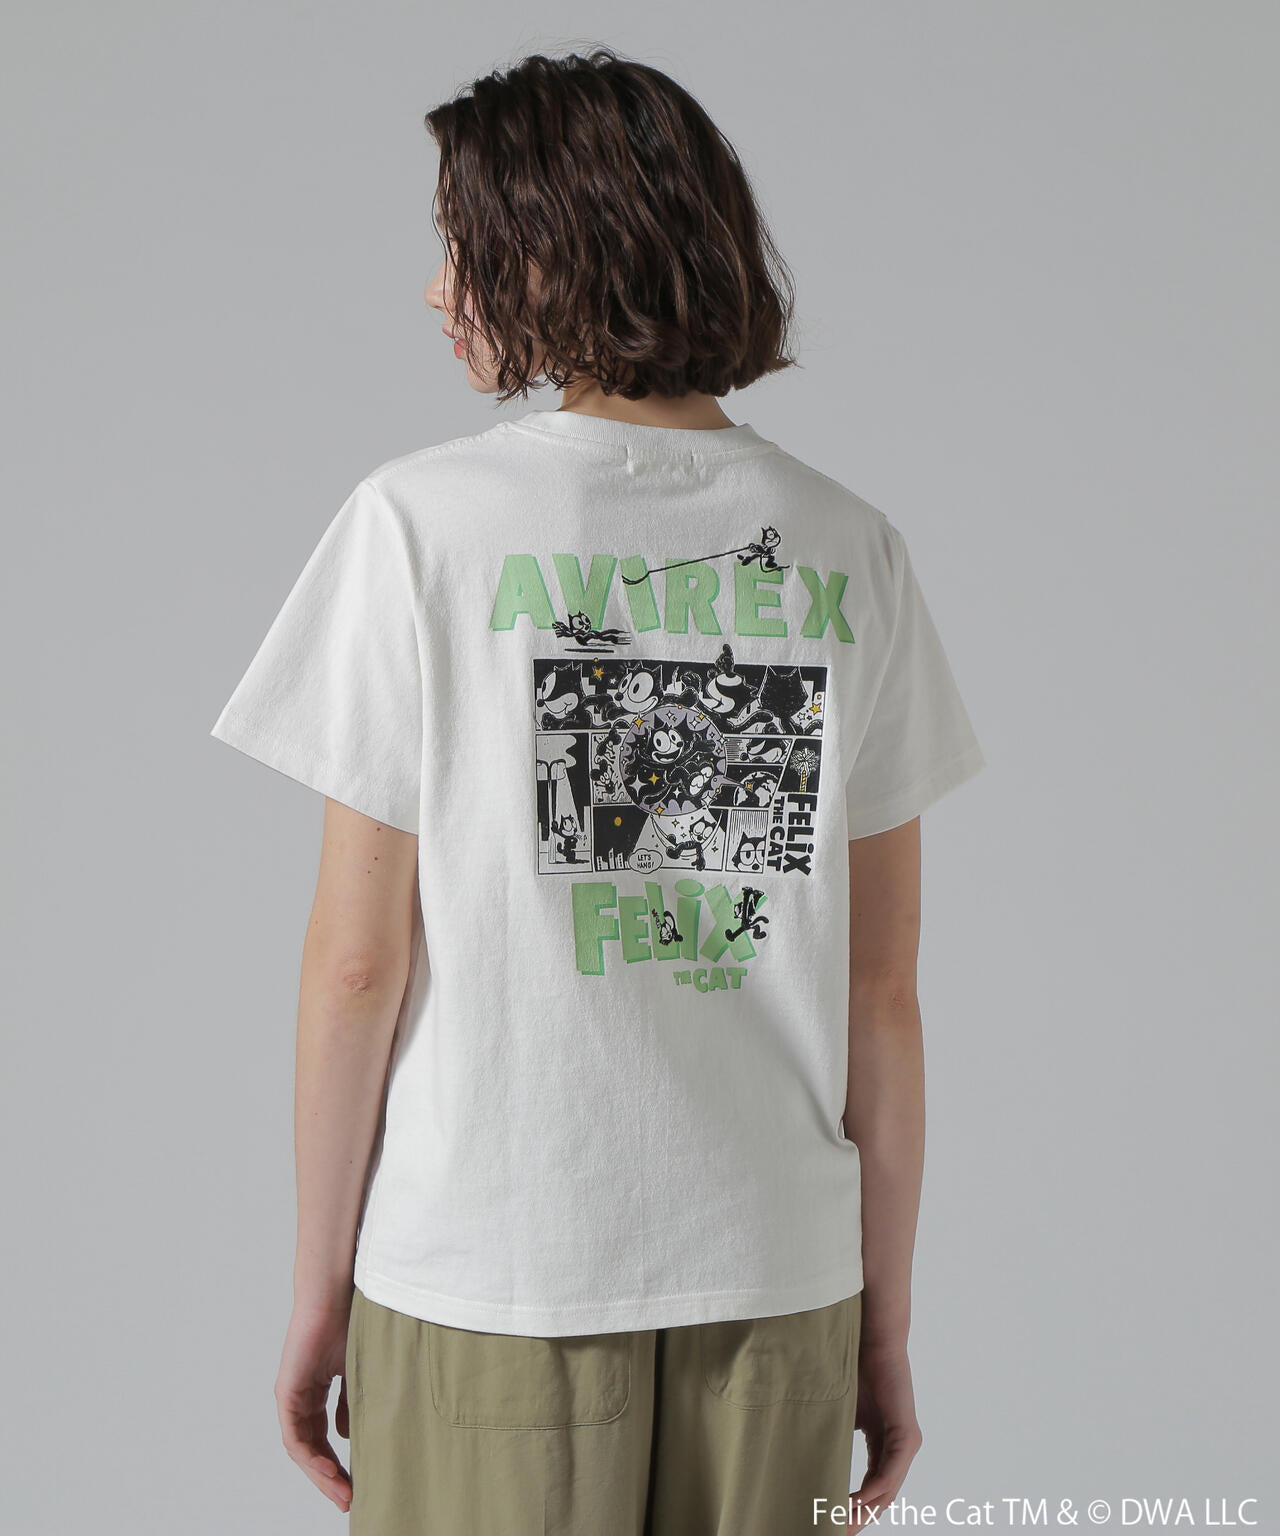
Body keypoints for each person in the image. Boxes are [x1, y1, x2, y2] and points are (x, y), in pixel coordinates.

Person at [210, 46, 986, 1536]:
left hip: (493, 1271)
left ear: (550, 247)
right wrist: (883, 1327)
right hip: (779, 1282)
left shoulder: (420, 528)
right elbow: (881, 993)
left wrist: (319, 1292)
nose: (435, 288)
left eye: (460, 243)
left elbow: (358, 966)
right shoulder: (851, 548)